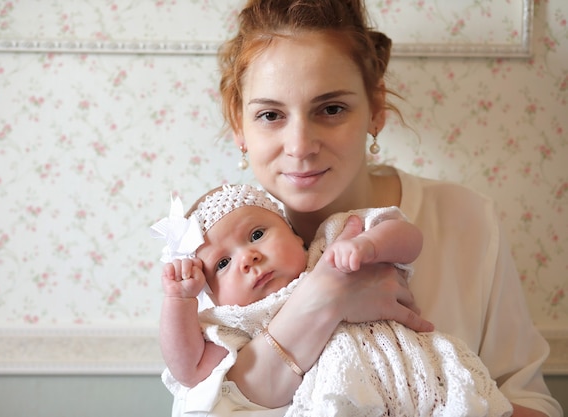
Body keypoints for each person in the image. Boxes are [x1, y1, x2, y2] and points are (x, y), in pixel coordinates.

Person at [206, 0, 562, 416]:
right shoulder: (213, 254)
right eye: (270, 114)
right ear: (238, 123)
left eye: (332, 109)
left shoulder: (464, 219)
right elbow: (205, 405)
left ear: (375, 109)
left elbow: (531, 402)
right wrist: (323, 298)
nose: (300, 146)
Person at [152, 183, 512, 416]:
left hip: (419, 380)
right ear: (212, 294)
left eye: (257, 234)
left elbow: (409, 239)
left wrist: (369, 245)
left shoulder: (333, 241)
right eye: (223, 263)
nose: (247, 258)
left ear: (295, 236)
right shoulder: (237, 322)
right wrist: (178, 301)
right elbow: (192, 371)